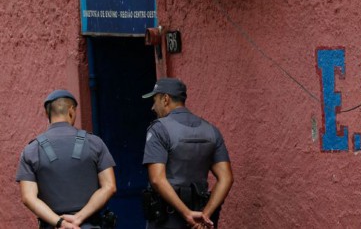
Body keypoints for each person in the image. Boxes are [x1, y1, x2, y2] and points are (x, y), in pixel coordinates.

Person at [16, 89, 117, 229]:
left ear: (47, 113)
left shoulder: (31, 150)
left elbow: (28, 197)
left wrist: (60, 223)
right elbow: (109, 186)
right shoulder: (95, 143)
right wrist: (78, 218)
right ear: (72, 110)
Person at [142, 78, 233, 229]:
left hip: (168, 219)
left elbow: (157, 179)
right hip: (200, 219)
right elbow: (226, 178)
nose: (153, 107)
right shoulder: (211, 130)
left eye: (155, 100)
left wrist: (187, 213)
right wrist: (206, 215)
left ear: (165, 99)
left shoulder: (159, 129)